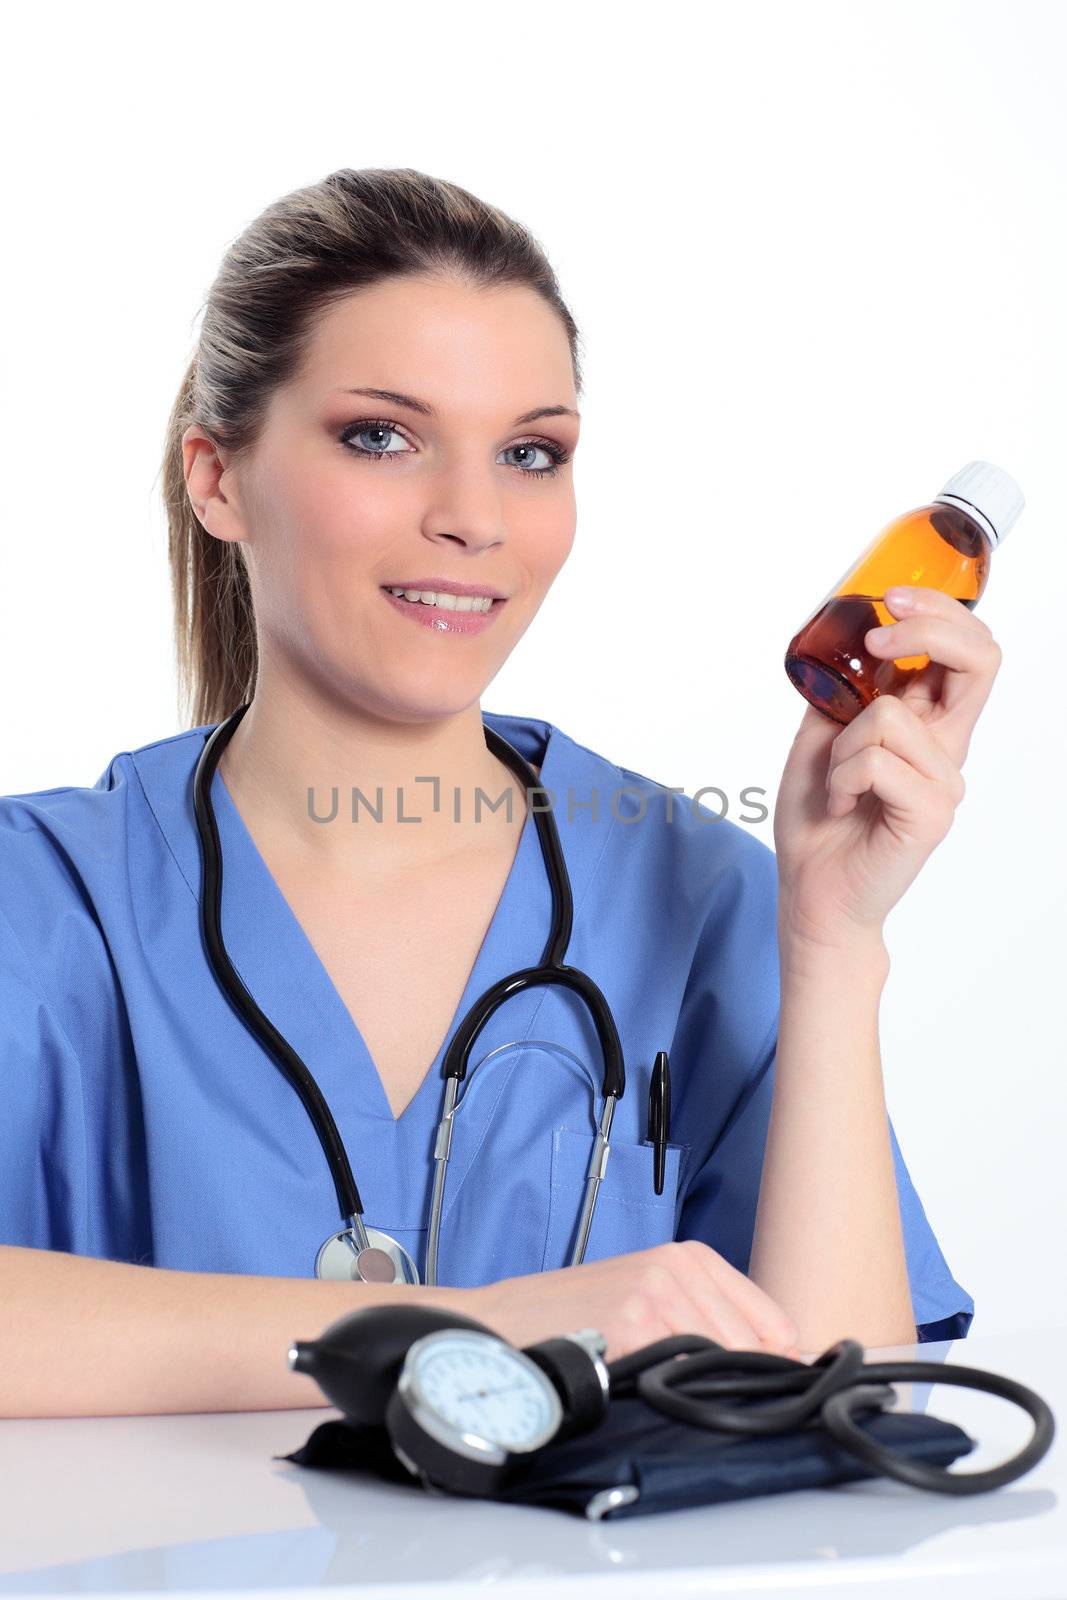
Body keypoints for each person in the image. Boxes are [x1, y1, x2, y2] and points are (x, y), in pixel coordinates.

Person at [0, 167, 980, 1420]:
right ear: (217, 478)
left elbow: (848, 1414)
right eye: (381, 436)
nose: (474, 517)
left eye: (530, 453)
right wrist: (471, 1330)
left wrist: (834, 943)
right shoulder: (46, 899)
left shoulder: (700, 894)